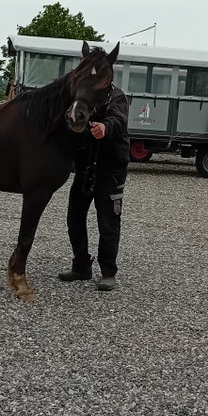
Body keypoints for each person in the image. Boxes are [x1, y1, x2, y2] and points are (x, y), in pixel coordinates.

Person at [58, 83, 130, 291]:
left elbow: (119, 120)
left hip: (111, 170)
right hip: (85, 169)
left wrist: (105, 127)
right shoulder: (83, 96)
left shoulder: (117, 97)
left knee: (108, 222)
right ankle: (81, 266)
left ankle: (108, 273)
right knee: (74, 217)